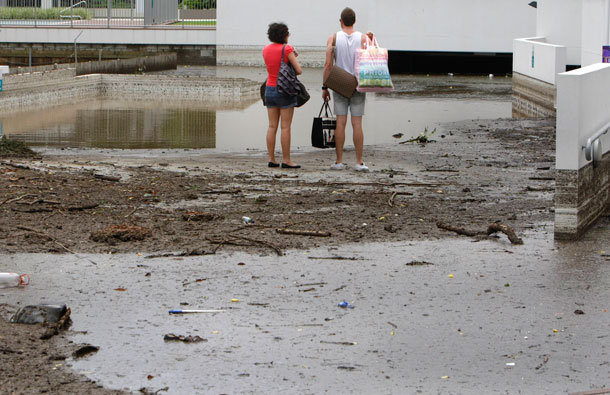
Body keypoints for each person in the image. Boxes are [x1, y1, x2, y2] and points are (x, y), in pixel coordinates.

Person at [322, 7, 373, 172]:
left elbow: (328, 64)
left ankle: (339, 161)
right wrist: (371, 39)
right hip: (358, 83)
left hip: (340, 84)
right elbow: (370, 58)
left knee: (340, 123)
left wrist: (325, 87)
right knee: (357, 124)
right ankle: (359, 162)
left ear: (341, 21)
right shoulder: (364, 38)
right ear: (354, 21)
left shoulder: (333, 38)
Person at [263, 22, 303, 169]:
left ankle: (272, 159)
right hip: (284, 90)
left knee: (272, 126)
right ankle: (286, 160)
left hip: (269, 89)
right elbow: (298, 70)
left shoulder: (265, 49)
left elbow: (273, 66)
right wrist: (293, 57)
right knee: (285, 127)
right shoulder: (287, 49)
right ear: (284, 35)